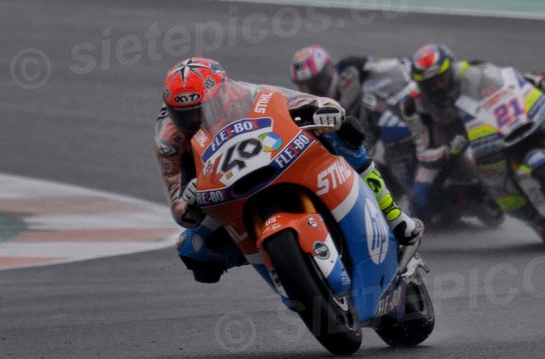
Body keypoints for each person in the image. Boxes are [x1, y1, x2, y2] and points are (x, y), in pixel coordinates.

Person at [156, 57, 422, 283]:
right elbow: (180, 212)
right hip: (220, 192)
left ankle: (394, 215)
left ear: (222, 94)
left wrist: (322, 109)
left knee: (344, 132)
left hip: (273, 160)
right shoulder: (170, 139)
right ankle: (276, 261)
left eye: (199, 110)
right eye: (183, 114)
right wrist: (188, 200)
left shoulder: (243, 95)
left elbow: (292, 102)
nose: (191, 119)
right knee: (192, 250)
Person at [402, 44, 545, 240]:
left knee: (534, 117)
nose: (438, 87)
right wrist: (448, 150)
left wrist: (533, 80)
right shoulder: (413, 106)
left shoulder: (471, 70)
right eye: (431, 84)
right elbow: (423, 150)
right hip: (451, 139)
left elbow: (505, 81)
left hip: (487, 123)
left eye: (442, 79)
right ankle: (528, 216)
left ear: (451, 70)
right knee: (419, 199)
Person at [290, 45, 418, 200]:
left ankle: (406, 186)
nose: (312, 91)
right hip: (394, 108)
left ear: (327, 74)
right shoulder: (336, 92)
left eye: (314, 84)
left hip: (412, 96)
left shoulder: (348, 74)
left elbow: (344, 113)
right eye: (304, 87)